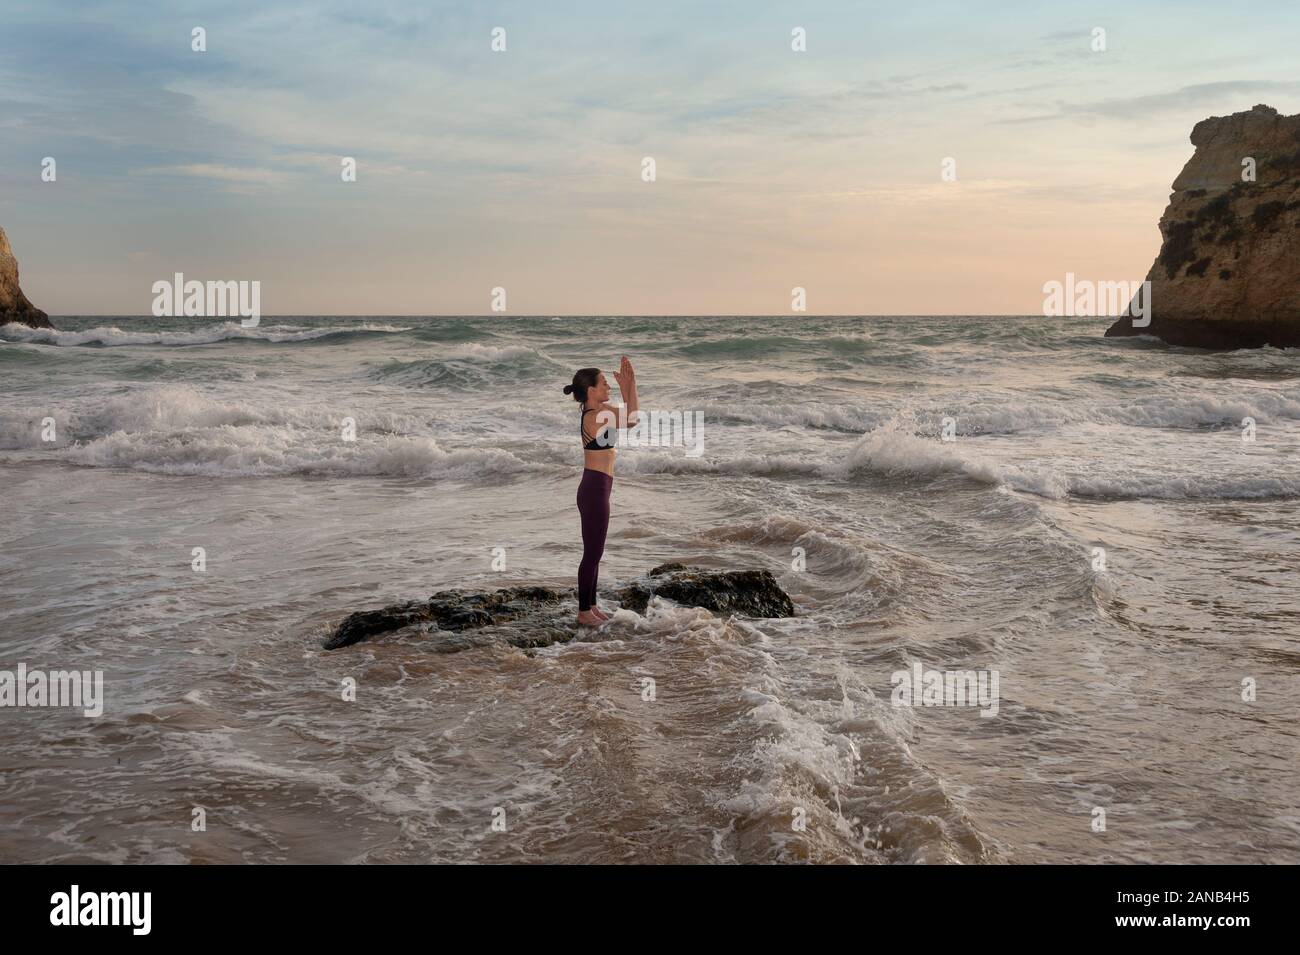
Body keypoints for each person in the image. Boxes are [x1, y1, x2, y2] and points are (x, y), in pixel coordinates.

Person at [562, 356, 638, 626]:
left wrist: (630, 385)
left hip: (598, 488)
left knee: (596, 551)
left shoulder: (599, 413)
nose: (609, 386)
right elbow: (632, 418)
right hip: (594, 489)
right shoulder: (595, 416)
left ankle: (591, 606)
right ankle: (583, 612)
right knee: (592, 553)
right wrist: (631, 385)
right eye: (604, 383)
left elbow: (631, 419)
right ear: (592, 390)